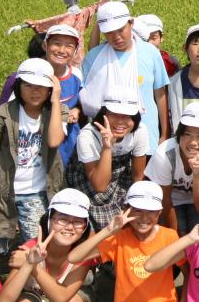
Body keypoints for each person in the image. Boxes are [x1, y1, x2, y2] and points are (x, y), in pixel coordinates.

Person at [0, 58, 67, 247]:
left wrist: (56, 100)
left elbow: (54, 140)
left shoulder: (57, 113)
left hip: (36, 191)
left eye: (41, 87)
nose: (35, 92)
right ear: (19, 86)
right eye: (28, 86)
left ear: (51, 88)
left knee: (37, 246)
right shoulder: (1, 114)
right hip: (2, 191)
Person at [79, 0, 169, 152]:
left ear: (131, 23)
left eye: (121, 30)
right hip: (107, 140)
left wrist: (164, 134)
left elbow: (160, 95)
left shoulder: (150, 53)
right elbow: (85, 97)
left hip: (146, 136)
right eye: (109, 33)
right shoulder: (94, 58)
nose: (116, 37)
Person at [0, 24, 83, 166]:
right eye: (56, 44)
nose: (62, 50)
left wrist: (77, 110)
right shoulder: (30, 75)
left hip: (69, 146)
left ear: (75, 51)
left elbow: (81, 101)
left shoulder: (76, 75)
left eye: (69, 46)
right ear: (45, 45)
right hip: (35, 149)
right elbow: (10, 113)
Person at [64, 89, 150, 230]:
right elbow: (100, 186)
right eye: (114, 115)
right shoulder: (88, 135)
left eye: (128, 116)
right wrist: (107, 147)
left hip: (122, 176)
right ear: (103, 114)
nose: (120, 121)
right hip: (91, 177)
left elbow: (137, 177)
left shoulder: (140, 131)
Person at [146, 103, 199, 234]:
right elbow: (165, 202)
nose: (193, 142)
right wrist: (175, 238)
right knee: (178, 236)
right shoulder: (164, 153)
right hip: (171, 202)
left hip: (197, 201)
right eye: (187, 134)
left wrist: (198, 174)